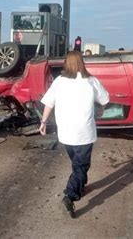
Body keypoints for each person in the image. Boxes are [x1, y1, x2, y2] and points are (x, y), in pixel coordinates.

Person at [39, 51, 109, 218]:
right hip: (84, 132)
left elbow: (49, 103)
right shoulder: (91, 81)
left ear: (66, 63)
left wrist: (43, 122)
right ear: (82, 62)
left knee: (77, 163)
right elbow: (105, 100)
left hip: (66, 133)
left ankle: (79, 185)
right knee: (81, 165)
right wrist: (99, 111)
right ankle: (70, 195)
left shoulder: (59, 82)